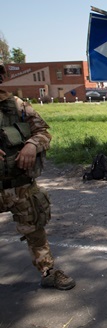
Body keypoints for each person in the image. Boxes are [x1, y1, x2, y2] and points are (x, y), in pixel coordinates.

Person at [0, 63, 75, 290]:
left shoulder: (17, 105)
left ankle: (48, 272)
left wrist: (33, 144)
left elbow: (43, 132)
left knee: (35, 229)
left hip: (21, 184)